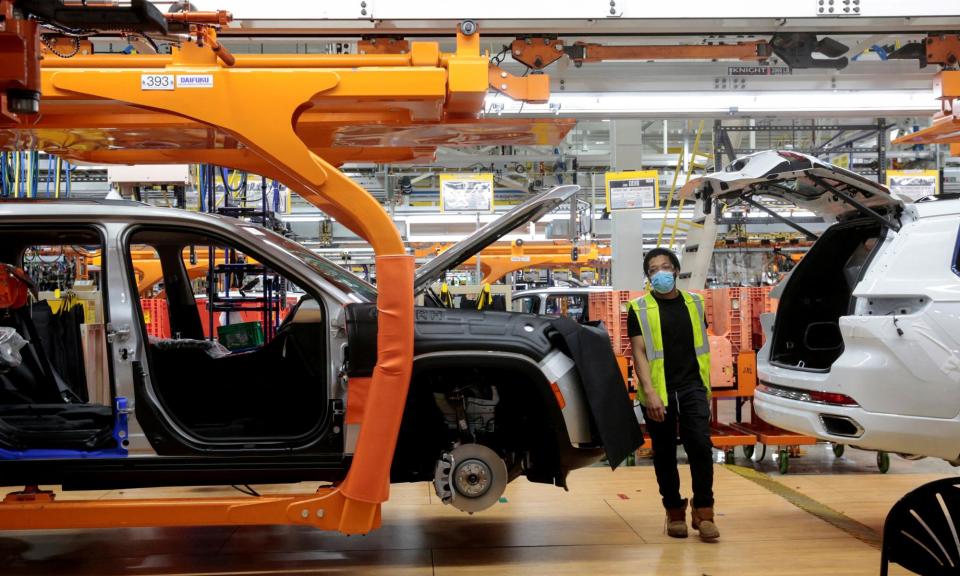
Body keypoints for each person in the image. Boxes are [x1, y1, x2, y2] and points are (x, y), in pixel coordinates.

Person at [627, 247, 719, 541]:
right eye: (653, 270)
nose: (660, 273)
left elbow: (700, 346)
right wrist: (650, 393)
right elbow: (639, 353)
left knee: (701, 447)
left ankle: (704, 511)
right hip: (659, 392)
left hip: (693, 386)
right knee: (664, 453)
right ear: (648, 277)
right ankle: (674, 511)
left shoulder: (695, 303)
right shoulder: (639, 308)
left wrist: (707, 387)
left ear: (676, 271)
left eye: (665, 267)